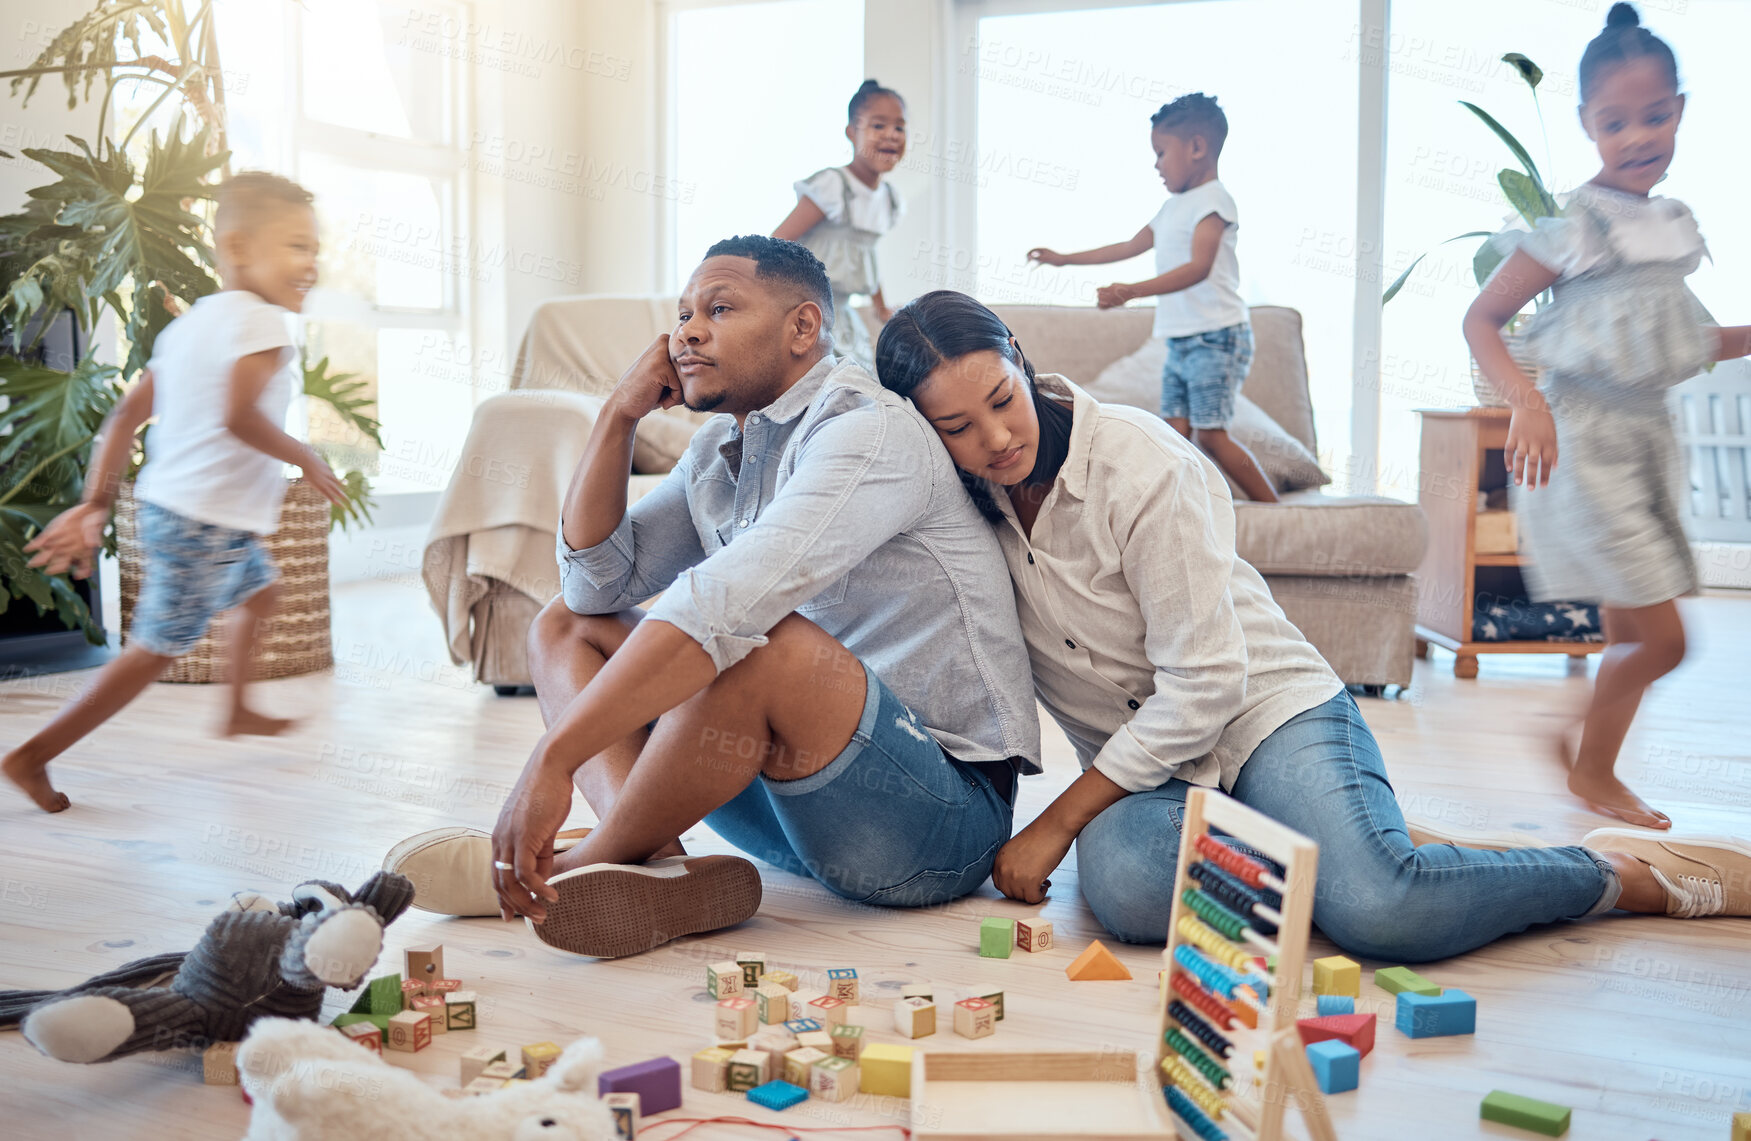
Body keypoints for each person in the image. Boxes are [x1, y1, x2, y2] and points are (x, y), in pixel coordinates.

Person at [873, 289, 1751, 958]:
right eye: (956, 426)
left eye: (1000, 397)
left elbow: (1206, 685)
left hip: (1263, 711)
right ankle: (1357, 844)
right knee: (1133, 894)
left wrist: (1057, 818)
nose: (993, 437)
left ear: (1020, 359)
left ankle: (1615, 874)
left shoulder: (1141, 465)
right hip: (1146, 772)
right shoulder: (950, 509)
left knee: (1379, 911)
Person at [386, 236, 1038, 958]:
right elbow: (591, 585)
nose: (688, 331)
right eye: (683, 313)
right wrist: (618, 415)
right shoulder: (719, 452)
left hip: (937, 826)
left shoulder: (866, 432)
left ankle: (583, 863)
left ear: (802, 328)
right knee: (565, 626)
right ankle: (655, 860)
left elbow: (721, 606)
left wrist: (552, 761)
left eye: (720, 308)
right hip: (806, 807)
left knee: (764, 645)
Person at [1463, 3, 1751, 831]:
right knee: (1664, 643)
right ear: (1588, 125)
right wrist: (1525, 403)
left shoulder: (1668, 225)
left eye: (1654, 115)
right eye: (1615, 121)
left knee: (1633, 634)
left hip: (1645, 443)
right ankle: (1580, 754)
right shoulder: (1572, 224)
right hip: (1583, 445)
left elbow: (1683, 339)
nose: (1637, 136)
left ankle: (1594, 771)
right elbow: (1480, 319)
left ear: (1679, 112)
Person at [3, 172, 348, 814]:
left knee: (265, 591)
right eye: (296, 246)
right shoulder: (264, 326)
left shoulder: (190, 327)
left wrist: (96, 504)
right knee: (153, 652)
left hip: (180, 512)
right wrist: (306, 455)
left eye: (314, 248)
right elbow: (238, 417)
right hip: (205, 522)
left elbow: (124, 417)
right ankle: (31, 756)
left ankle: (238, 705)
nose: (311, 263)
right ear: (240, 248)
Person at [1027, 92, 1277, 503]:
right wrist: (1064, 259)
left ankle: (1274, 510)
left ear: (1196, 147)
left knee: (1212, 435)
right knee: (1172, 434)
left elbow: (1200, 267)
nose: (1156, 163)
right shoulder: (1170, 208)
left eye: (1161, 152)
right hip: (1179, 341)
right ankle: (1180, 509)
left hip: (1216, 337)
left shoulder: (1215, 201)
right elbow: (1127, 246)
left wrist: (1131, 291)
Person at [773, 79, 907, 370]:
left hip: (841, 313)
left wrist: (881, 307)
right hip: (806, 309)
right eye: (878, 126)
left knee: (860, 376)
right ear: (852, 132)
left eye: (899, 127)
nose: (891, 135)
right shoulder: (834, 187)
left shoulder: (888, 199)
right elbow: (779, 241)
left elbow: (865, 257)